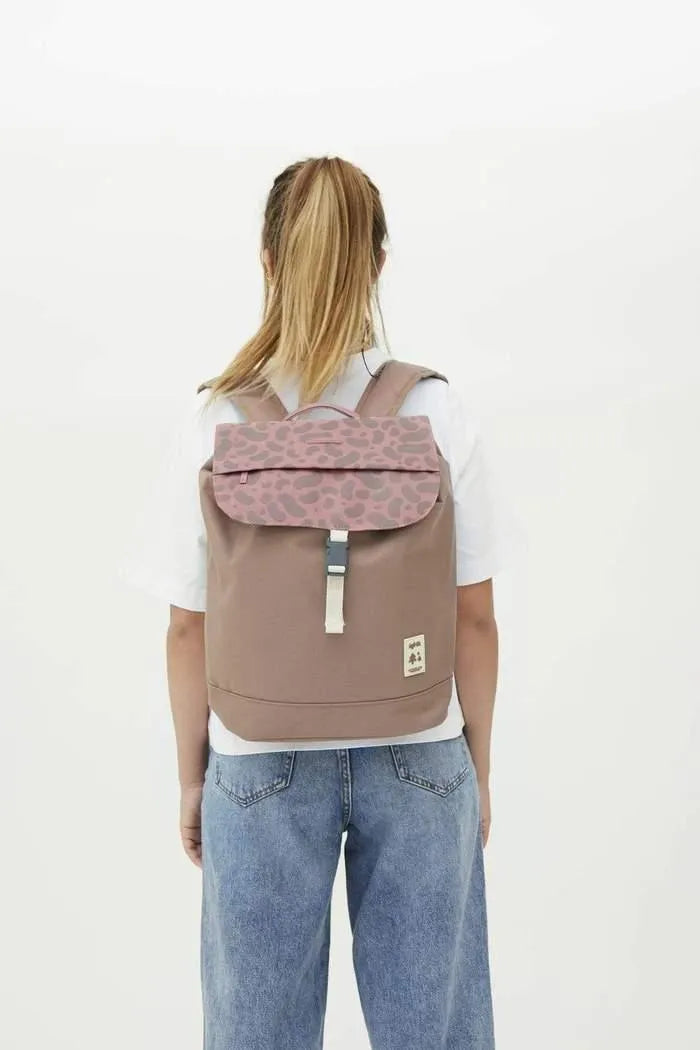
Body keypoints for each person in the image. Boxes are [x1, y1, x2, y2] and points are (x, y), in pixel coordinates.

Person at [128, 155, 499, 1050]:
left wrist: (192, 778)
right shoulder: (437, 411)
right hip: (419, 749)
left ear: (266, 259)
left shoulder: (216, 420)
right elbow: (474, 618)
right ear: (377, 263)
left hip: (258, 757)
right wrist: (476, 771)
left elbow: (186, 628)